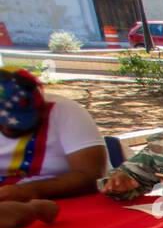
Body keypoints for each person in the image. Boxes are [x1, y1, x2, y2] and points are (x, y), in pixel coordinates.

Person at [0, 67, 105, 201]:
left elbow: (92, 176)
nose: (7, 128)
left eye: (18, 120)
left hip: (66, 202)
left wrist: (28, 190)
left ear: (42, 109)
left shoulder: (66, 112)